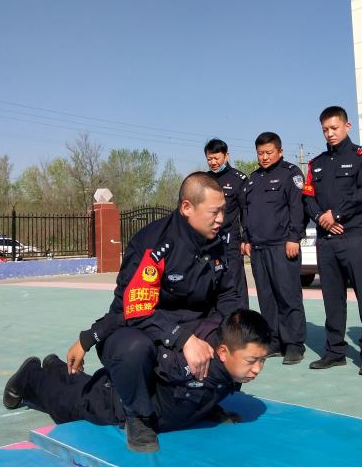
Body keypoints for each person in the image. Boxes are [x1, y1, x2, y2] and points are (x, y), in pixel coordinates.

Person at [61, 172, 244, 450]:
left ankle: (203, 403)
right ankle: (137, 416)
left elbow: (229, 296)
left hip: (191, 328)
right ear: (187, 208)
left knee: (233, 341)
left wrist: (234, 336)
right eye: (214, 212)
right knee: (133, 349)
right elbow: (133, 310)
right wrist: (183, 338)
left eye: (223, 211)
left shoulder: (219, 243)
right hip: (135, 327)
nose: (221, 219)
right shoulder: (154, 243)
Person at [3, 309, 271, 452]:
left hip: (120, 389)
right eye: (252, 360)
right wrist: (89, 339)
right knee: (64, 404)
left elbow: (201, 392)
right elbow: (130, 318)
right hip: (111, 403)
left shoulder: (230, 372)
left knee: (82, 382)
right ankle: (31, 376)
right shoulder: (191, 364)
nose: (257, 369)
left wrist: (209, 409)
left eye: (262, 360)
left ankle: (55, 366)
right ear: (222, 352)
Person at [303, 106, 362, 375]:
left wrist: (336, 214)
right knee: (332, 299)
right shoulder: (316, 163)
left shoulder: (361, 156)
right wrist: (321, 218)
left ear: (347, 126)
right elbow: (308, 197)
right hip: (326, 240)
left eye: (334, 128)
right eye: (325, 129)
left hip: (354, 237)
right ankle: (335, 351)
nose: (330, 133)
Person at [241, 132, 307, 365]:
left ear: (280, 151)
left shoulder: (291, 174)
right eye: (260, 153)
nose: (265, 157)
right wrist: (246, 238)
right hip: (258, 247)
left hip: (282, 246)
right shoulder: (253, 179)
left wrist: (294, 237)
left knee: (288, 296)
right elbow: (247, 212)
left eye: (269, 152)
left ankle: (294, 345)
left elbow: (298, 208)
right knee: (266, 298)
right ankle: (274, 341)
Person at [205, 138, 250, 308]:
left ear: (226, 156)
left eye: (216, 158)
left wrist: (246, 239)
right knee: (210, 283)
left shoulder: (239, 179)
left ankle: (241, 320)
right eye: (209, 159)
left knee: (235, 284)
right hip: (208, 242)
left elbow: (246, 212)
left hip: (231, 242)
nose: (213, 162)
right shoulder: (204, 180)